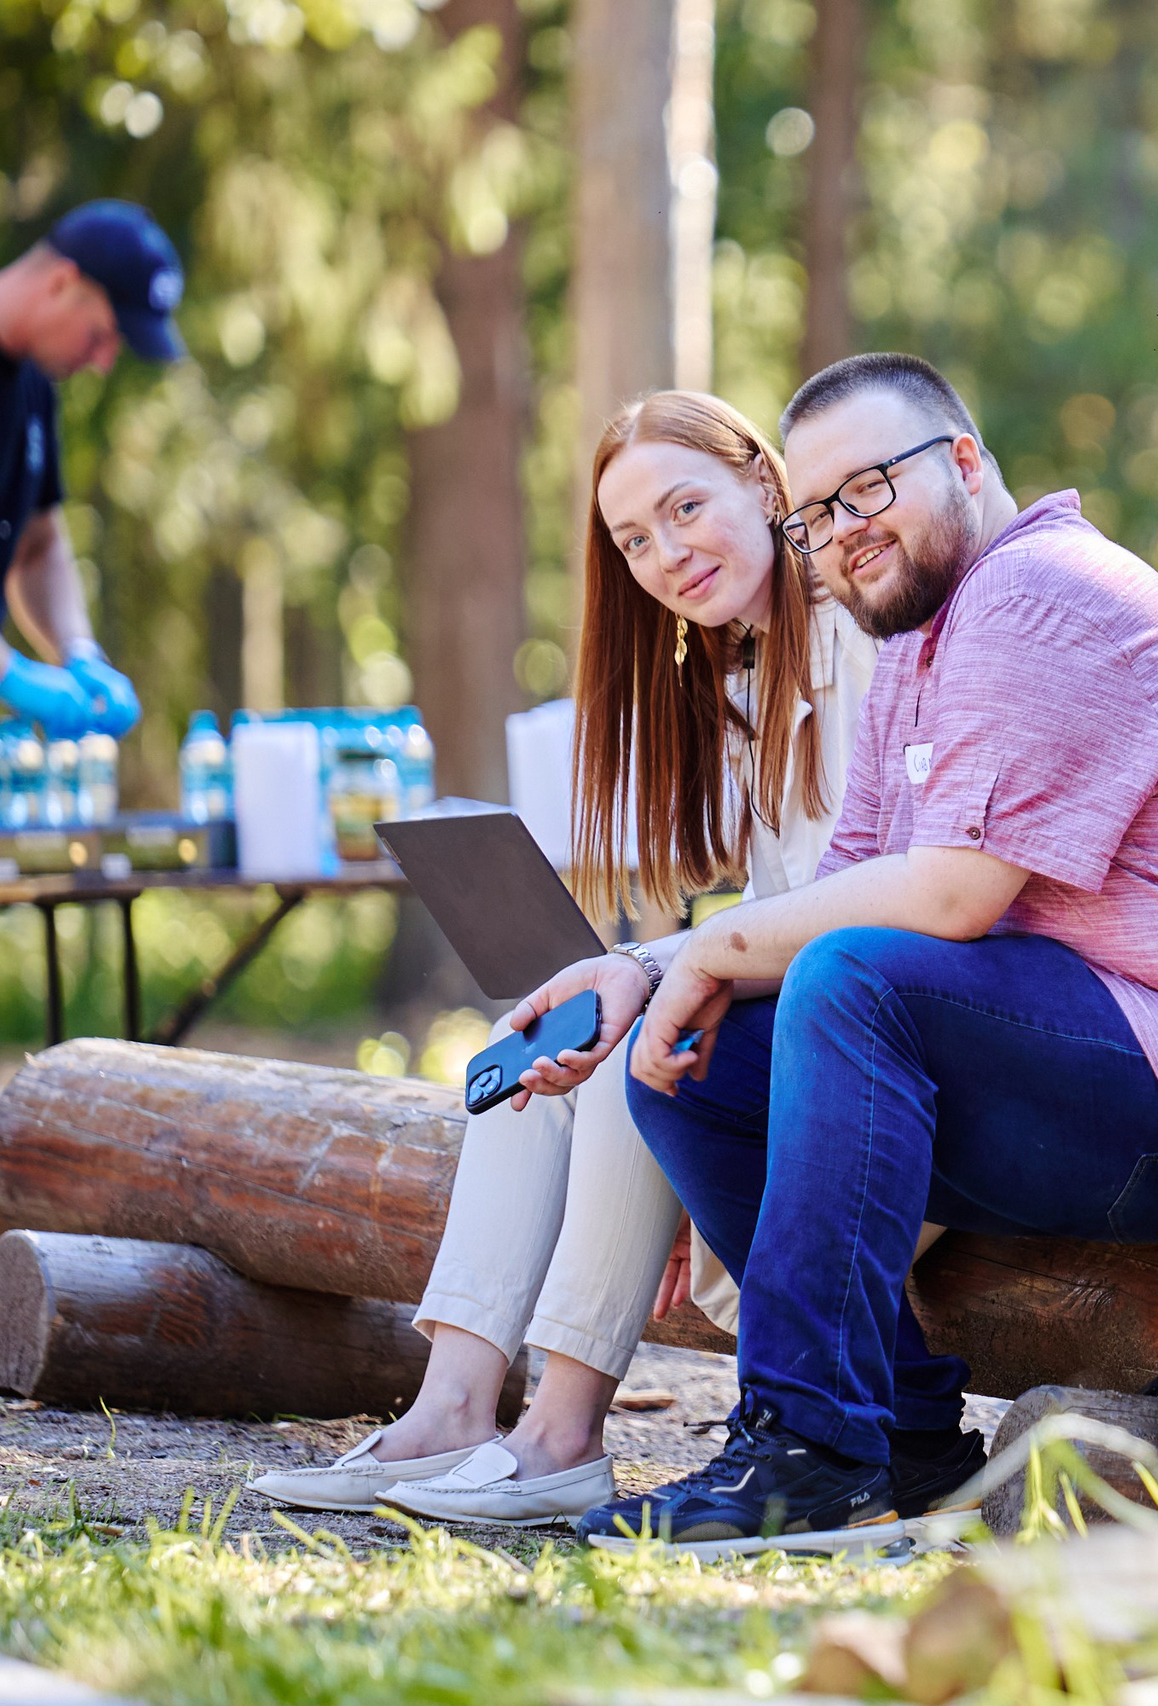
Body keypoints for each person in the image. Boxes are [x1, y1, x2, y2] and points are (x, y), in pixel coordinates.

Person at [570, 353, 1158, 1554]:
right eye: (816, 515)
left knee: (853, 982)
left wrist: (711, 945)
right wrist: (657, 977)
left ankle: (806, 1450)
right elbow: (846, 877)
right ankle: (904, 1437)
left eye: (867, 490)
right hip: (1130, 1035)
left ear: (963, 461)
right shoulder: (921, 636)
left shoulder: (1038, 597)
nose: (843, 534)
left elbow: (952, 898)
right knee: (702, 1058)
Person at [247, 392, 896, 1527]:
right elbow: (775, 907)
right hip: (801, 1008)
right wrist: (635, 964)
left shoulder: (859, 638)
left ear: (765, 482)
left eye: (685, 507)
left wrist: (655, 976)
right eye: (633, 539)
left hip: (876, 1057)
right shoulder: (740, 675)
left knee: (635, 1042)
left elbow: (867, 909)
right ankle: (451, 1405)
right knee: (538, 1042)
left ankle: (558, 1432)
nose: (665, 552)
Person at [0, 201, 167, 740]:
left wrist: (79, 651)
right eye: (101, 335)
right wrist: (9, 674)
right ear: (63, 283)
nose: (105, 361)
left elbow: (38, 546)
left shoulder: (33, 384)